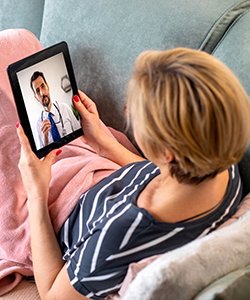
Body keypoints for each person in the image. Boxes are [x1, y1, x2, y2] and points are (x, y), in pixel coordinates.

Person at [16, 48, 250, 300]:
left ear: (167, 152)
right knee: (19, 44)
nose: (127, 110)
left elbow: (53, 294)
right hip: (99, 171)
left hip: (54, 211)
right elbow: (160, 174)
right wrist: (105, 143)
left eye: (134, 113)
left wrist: (36, 193)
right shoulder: (223, 166)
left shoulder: (120, 237)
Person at [30, 71, 81, 148]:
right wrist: (45, 139)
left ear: (48, 86)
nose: (42, 93)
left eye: (43, 86)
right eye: (37, 91)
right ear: (36, 97)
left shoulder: (64, 108)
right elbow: (42, 156)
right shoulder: (38, 124)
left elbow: (80, 133)